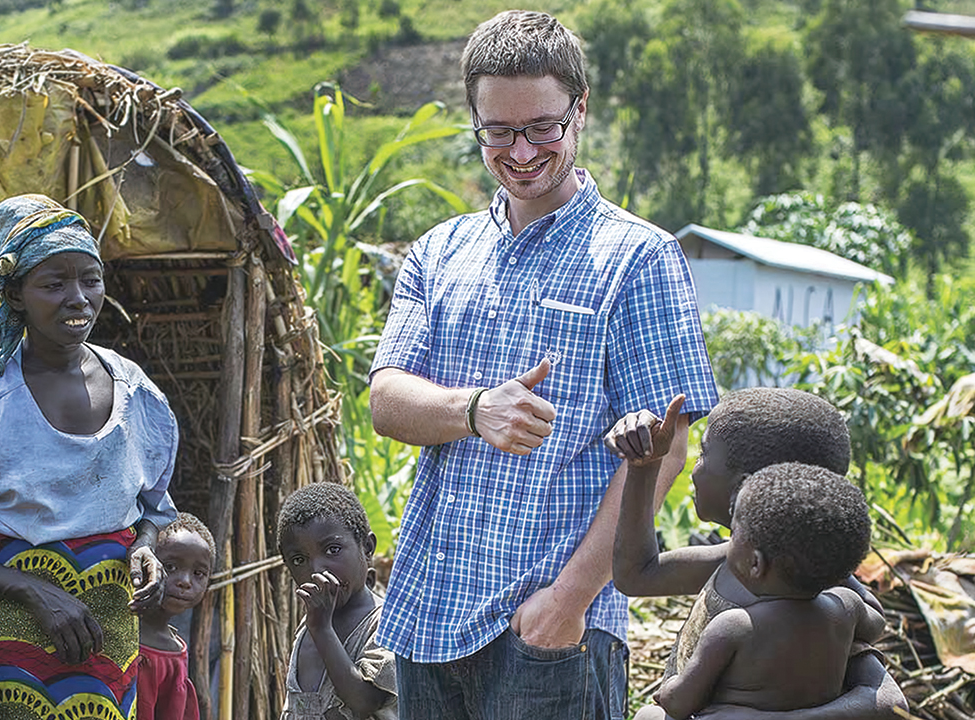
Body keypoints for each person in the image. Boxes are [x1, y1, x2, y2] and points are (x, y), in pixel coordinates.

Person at [367, 9, 718, 719]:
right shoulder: (440, 251)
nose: (521, 150)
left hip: (551, 630)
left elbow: (670, 445)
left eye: (542, 127)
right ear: (476, 121)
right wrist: (473, 410)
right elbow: (386, 400)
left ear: (579, 111)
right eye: (498, 130)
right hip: (427, 615)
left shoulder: (637, 257)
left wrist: (570, 599)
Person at [0, 193, 179, 720]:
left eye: (90, 279)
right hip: (13, 638)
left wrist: (147, 547)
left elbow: (153, 509)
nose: (78, 298)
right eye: (54, 284)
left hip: (112, 636)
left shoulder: (136, 392)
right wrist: (33, 591)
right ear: (15, 296)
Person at [606, 388, 908, 719]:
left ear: (746, 488)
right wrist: (644, 465)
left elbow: (888, 703)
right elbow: (636, 574)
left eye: (704, 454)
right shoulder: (739, 563)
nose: (694, 467)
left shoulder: (816, 598)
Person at [637, 464, 883, 720]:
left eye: (734, 532)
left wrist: (668, 688)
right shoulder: (847, 607)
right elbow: (876, 624)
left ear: (755, 563)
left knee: (648, 716)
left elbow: (678, 703)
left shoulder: (733, 626)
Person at [277, 482, 398, 720]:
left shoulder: (384, 622)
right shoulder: (308, 626)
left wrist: (322, 629)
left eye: (332, 550)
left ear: (367, 548)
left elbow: (366, 702)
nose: (317, 570)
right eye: (299, 560)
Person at [138, 512, 214, 720]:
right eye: (170, 567)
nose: (185, 581)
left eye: (198, 573)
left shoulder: (175, 655)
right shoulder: (118, 633)